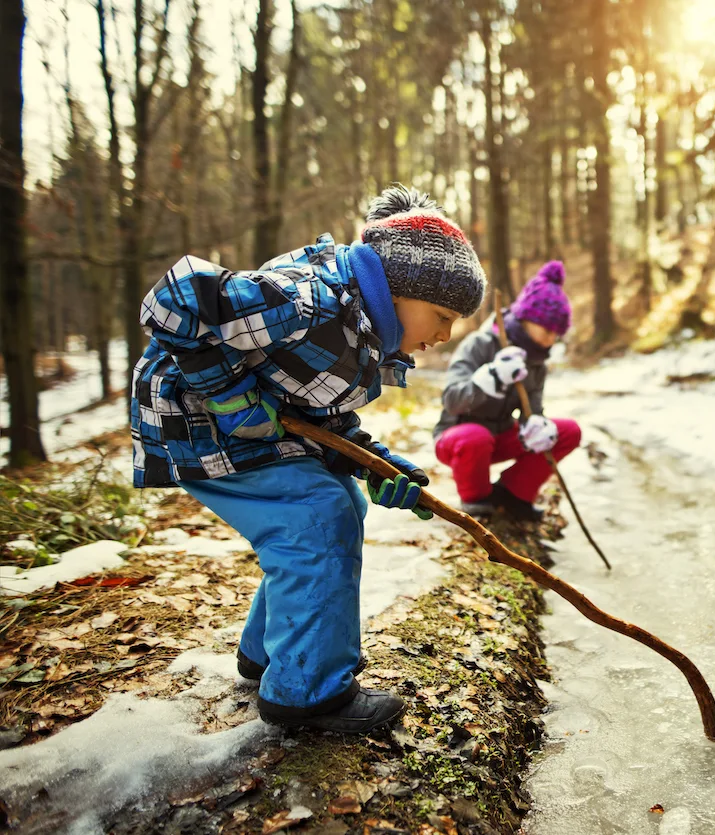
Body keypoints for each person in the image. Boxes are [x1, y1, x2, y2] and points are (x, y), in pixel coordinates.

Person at [130, 186, 486, 733]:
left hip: (257, 424)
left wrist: (376, 464)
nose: (445, 335)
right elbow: (175, 296)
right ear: (393, 288)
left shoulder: (360, 331)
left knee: (338, 502)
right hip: (193, 418)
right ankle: (307, 695)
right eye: (441, 315)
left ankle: (270, 654)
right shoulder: (308, 301)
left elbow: (319, 414)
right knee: (317, 517)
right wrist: (226, 391)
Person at [434, 261, 582, 520]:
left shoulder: (536, 364)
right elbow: (452, 400)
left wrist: (537, 424)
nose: (551, 339)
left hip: (501, 435)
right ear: (526, 318)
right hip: (459, 440)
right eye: (547, 330)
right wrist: (490, 378)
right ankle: (477, 499)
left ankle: (514, 493)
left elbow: (531, 411)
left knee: (568, 431)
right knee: (475, 436)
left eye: (557, 334)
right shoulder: (480, 344)